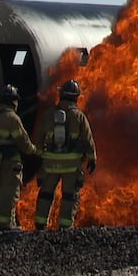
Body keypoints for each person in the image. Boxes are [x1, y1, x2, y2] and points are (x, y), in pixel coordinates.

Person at [31, 80, 96, 230]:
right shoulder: (79, 116)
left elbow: (38, 139)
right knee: (69, 196)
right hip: (71, 166)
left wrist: (40, 158)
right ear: (76, 97)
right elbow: (88, 140)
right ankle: (65, 227)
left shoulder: (48, 115)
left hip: (50, 165)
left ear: (61, 95)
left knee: (46, 194)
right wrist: (92, 158)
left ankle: (40, 225)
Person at [0, 84, 37, 230]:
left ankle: (5, 222)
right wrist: (34, 150)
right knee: (10, 192)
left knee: (2, 190)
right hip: (10, 161)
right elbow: (23, 140)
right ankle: (5, 224)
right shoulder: (11, 117)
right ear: (13, 101)